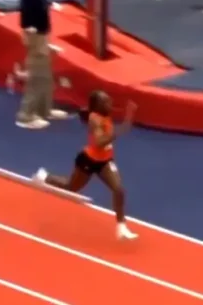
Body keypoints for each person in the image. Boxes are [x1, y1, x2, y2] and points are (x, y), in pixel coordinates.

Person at [33, 90, 139, 240]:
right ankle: (45, 177)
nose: (110, 104)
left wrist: (129, 114)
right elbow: (99, 142)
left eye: (109, 100)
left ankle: (121, 227)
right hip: (88, 160)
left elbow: (126, 127)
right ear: (98, 106)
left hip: (105, 162)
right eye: (106, 102)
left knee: (119, 189)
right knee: (71, 187)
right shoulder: (95, 119)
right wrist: (120, 129)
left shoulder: (105, 113)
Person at [16, 0, 68, 130]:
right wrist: (31, 33)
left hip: (42, 35)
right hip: (35, 36)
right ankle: (25, 116)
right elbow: (25, 17)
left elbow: (41, 6)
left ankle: (44, 110)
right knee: (36, 77)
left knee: (45, 76)